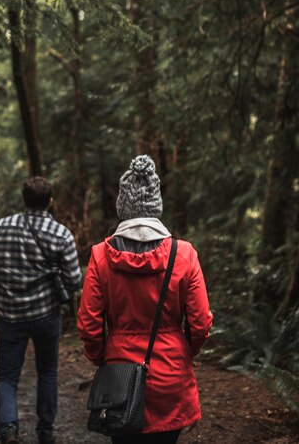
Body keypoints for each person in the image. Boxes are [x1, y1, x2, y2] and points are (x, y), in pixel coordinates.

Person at [77, 155, 213, 444]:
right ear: (156, 205)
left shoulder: (101, 256)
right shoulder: (184, 254)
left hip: (119, 375)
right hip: (171, 377)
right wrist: (184, 351)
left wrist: (103, 356)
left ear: (122, 205)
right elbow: (201, 323)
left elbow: (89, 325)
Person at [0, 176, 82, 444]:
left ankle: (9, 430)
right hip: (47, 316)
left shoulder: (0, 228)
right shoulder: (61, 234)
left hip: (10, 316)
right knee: (47, 372)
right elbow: (74, 279)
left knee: (7, 377)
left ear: (24, 200)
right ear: (50, 201)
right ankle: (45, 431)